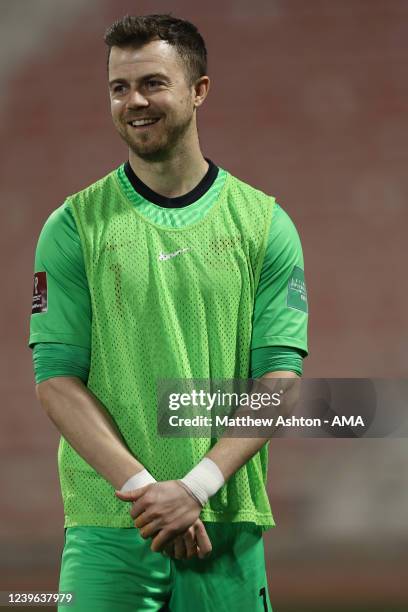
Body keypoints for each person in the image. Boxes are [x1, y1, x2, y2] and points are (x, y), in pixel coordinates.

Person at [29, 14, 308, 612]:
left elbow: (279, 380)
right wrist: (148, 492)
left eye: (153, 83)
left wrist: (196, 487)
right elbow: (55, 379)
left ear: (199, 90)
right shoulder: (72, 227)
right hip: (111, 526)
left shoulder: (264, 225)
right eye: (119, 87)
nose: (135, 102)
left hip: (225, 524)